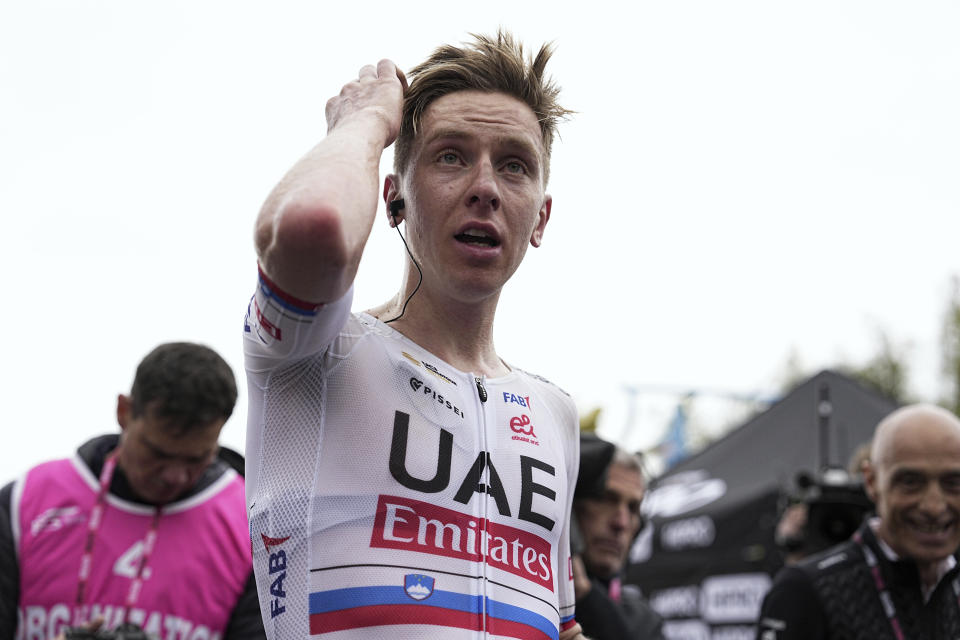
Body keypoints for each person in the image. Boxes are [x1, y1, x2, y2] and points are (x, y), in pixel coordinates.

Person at [243, 30, 585, 640]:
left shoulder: (555, 413)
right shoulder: (317, 352)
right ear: (393, 199)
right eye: (451, 156)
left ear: (541, 218)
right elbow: (310, 226)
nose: (485, 187)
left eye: (514, 165)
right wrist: (367, 125)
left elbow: (560, 626)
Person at [0, 342, 265, 640]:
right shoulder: (24, 502)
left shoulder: (253, 525)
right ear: (124, 412)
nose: (174, 476)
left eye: (196, 459)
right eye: (158, 453)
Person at [756, 404, 960, 639]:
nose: (933, 506)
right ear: (872, 482)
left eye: (953, 482)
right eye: (910, 482)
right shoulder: (805, 591)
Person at [572, 434, 664, 640]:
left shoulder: (645, 622)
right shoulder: (528, 599)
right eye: (606, 499)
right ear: (571, 508)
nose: (621, 523)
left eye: (633, 508)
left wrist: (585, 594)